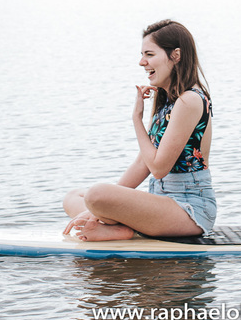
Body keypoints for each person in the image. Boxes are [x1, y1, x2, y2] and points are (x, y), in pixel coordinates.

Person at [62, 19, 216, 241]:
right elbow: (143, 163)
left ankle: (121, 229)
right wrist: (101, 209)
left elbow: (159, 168)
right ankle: (115, 227)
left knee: (96, 194)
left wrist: (136, 119)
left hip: (189, 211)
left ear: (176, 55)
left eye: (149, 54)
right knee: (74, 196)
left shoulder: (190, 100)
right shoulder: (169, 102)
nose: (142, 62)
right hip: (161, 202)